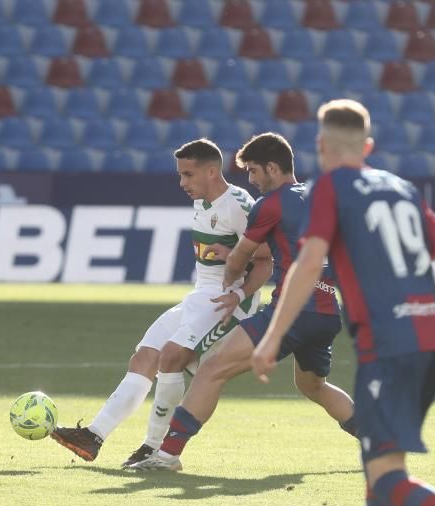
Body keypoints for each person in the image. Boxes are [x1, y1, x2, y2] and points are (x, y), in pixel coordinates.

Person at [252, 99, 435, 506]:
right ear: (370, 147)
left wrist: (272, 335)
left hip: (390, 344)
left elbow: (310, 263)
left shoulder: (332, 187)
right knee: (381, 467)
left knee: (385, 478)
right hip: (432, 340)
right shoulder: (401, 189)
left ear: (321, 148)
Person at [131, 132, 358, 471]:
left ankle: (166, 455)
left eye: (253, 171)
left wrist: (231, 280)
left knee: (212, 368)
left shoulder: (271, 204)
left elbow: (241, 257)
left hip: (291, 311)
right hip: (326, 311)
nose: (251, 180)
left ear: (272, 167)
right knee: (313, 385)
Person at [52, 138, 269, 465]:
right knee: (145, 356)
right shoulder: (203, 201)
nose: (182, 183)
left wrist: (239, 289)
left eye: (188, 175)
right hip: (200, 296)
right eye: (180, 175)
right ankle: (94, 435)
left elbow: (267, 260)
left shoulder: (238, 204)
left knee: (170, 357)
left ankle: (156, 448)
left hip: (230, 302)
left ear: (212, 172)